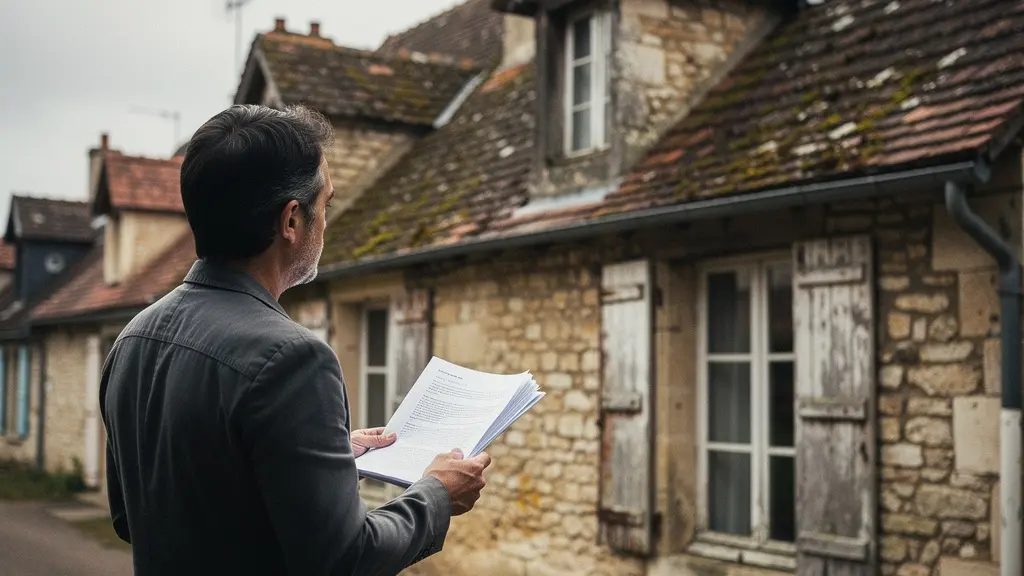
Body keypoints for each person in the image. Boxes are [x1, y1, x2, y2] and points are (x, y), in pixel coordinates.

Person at [99, 104, 492, 576]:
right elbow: (346, 558)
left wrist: (304, 458)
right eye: (325, 204)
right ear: (291, 221)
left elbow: (131, 517)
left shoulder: (131, 341)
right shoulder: (293, 359)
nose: (325, 222)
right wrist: (436, 494)